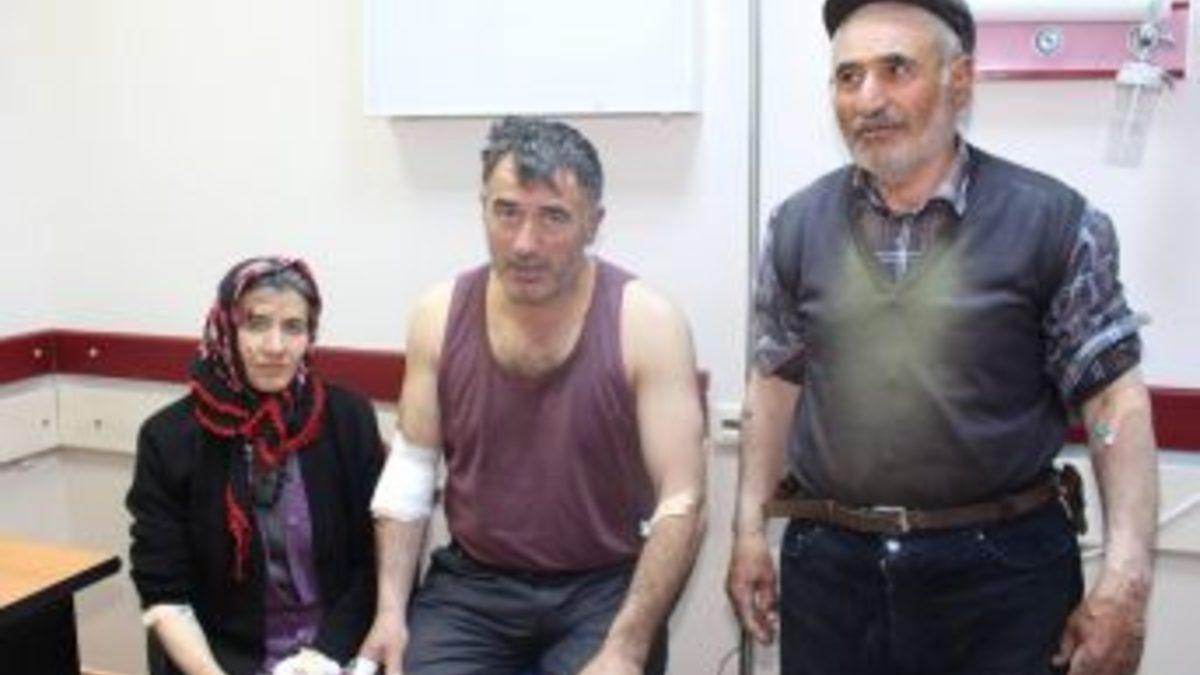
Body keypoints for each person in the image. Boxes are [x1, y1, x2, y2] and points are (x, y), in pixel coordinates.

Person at [726, 1, 1158, 674]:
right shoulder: (795, 227)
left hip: (1003, 578)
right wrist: (750, 529)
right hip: (831, 573)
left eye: (896, 69)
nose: (869, 99)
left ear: (960, 82)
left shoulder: (1054, 222)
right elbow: (774, 384)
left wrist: (1126, 577)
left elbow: (1113, 403)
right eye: (848, 77)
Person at [357, 116, 706, 675]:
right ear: (483, 210)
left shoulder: (648, 323)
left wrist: (626, 647)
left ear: (594, 224)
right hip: (473, 586)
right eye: (507, 212)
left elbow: (681, 501)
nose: (525, 243)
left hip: (602, 587)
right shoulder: (438, 314)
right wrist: (390, 612)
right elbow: (411, 471)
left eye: (554, 217)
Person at [127, 257, 383, 675]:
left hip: (338, 650)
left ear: (311, 335)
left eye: (293, 327)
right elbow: (164, 592)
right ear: (225, 328)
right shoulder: (169, 438)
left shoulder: (347, 419)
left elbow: (374, 565)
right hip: (223, 660)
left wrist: (326, 657)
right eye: (257, 324)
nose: (275, 346)